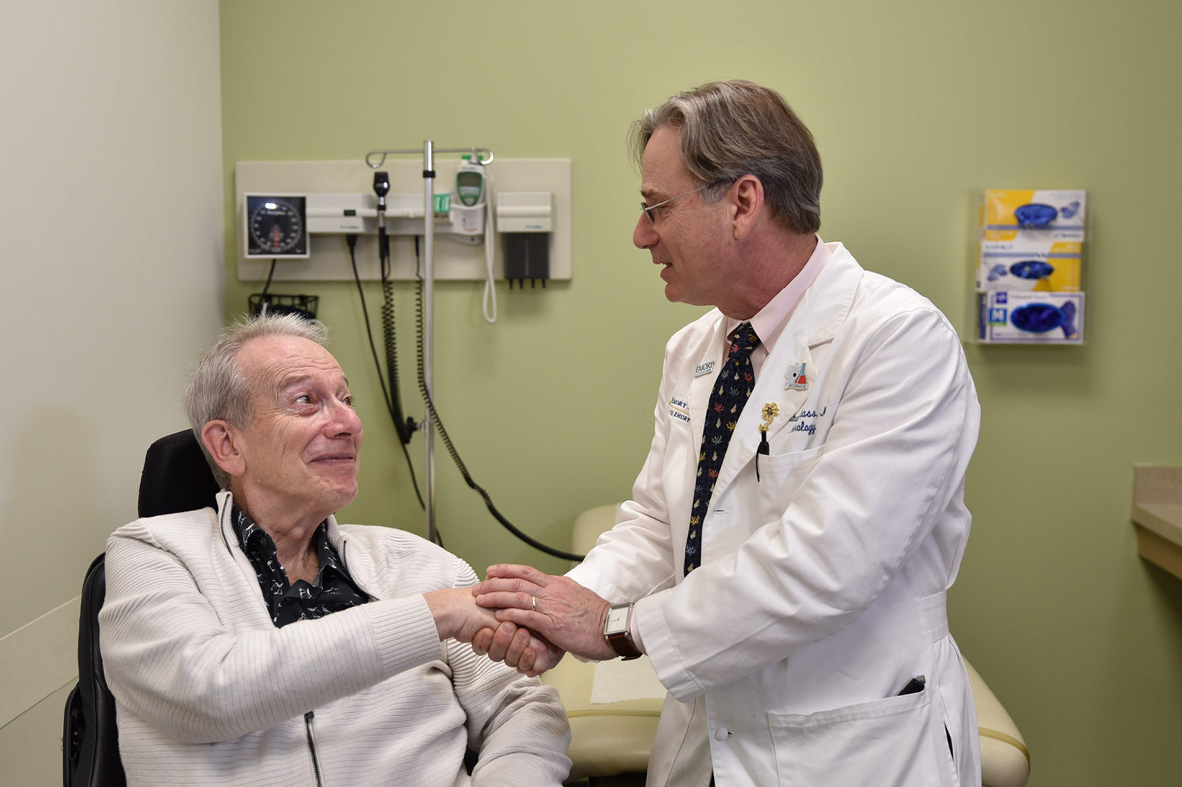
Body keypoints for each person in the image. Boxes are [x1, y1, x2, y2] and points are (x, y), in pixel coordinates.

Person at [473, 80, 982, 787]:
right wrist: (560, 607)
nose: (640, 234)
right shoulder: (696, 350)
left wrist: (618, 629)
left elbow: (827, 565)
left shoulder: (897, 339)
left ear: (743, 203)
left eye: (656, 208)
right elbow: (659, 522)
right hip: (709, 735)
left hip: (845, 747)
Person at [99, 313, 570, 787]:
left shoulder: (419, 564)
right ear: (227, 445)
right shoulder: (153, 554)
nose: (349, 422)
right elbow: (208, 693)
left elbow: (521, 708)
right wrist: (434, 615)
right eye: (306, 401)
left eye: (345, 398)